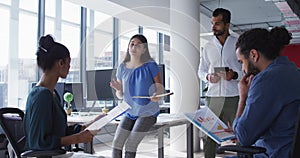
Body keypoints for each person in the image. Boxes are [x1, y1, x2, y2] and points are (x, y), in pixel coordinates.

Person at [23, 35, 105, 158]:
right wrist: (77, 138)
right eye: (69, 62)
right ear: (60, 63)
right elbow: (38, 143)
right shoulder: (42, 96)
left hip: (53, 154)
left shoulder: (52, 94)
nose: (69, 67)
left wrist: (89, 125)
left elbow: (59, 132)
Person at [233, 27, 300, 158]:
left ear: (253, 55)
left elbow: (243, 137)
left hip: (274, 153)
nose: (242, 69)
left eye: (241, 62)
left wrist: (243, 97)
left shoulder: (266, 80)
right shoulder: (294, 71)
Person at [198, 8, 243, 158]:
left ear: (227, 24)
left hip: (234, 96)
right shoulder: (208, 46)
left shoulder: (238, 44)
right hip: (213, 97)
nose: (213, 27)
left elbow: (248, 70)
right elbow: (201, 71)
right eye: (212, 23)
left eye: (217, 23)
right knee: (210, 136)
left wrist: (234, 74)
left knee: (240, 134)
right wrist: (208, 77)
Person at [110, 34, 164, 158]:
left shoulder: (151, 65)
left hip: (147, 113)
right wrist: (119, 89)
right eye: (132, 44)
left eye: (138, 45)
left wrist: (157, 95)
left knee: (130, 145)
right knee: (116, 144)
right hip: (129, 112)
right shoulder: (122, 67)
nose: (134, 47)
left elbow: (159, 87)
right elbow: (120, 95)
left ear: (144, 49)